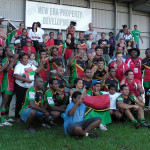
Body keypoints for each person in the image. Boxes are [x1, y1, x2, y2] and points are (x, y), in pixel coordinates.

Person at [14, 53, 43, 121]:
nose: (26, 60)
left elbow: (37, 71)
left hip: (29, 87)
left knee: (27, 101)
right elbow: (15, 75)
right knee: (20, 101)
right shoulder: (18, 66)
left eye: (27, 58)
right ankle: (18, 117)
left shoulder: (30, 65)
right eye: (24, 58)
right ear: (20, 59)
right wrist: (25, 79)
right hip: (21, 86)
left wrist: (41, 64)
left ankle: (27, 115)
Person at [0, 47, 18, 125]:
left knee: (9, 101)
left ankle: (6, 117)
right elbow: (7, 69)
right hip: (6, 82)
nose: (12, 51)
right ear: (6, 53)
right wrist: (14, 59)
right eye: (10, 51)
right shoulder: (5, 60)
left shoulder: (10, 60)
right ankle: (2, 120)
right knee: (5, 101)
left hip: (11, 82)